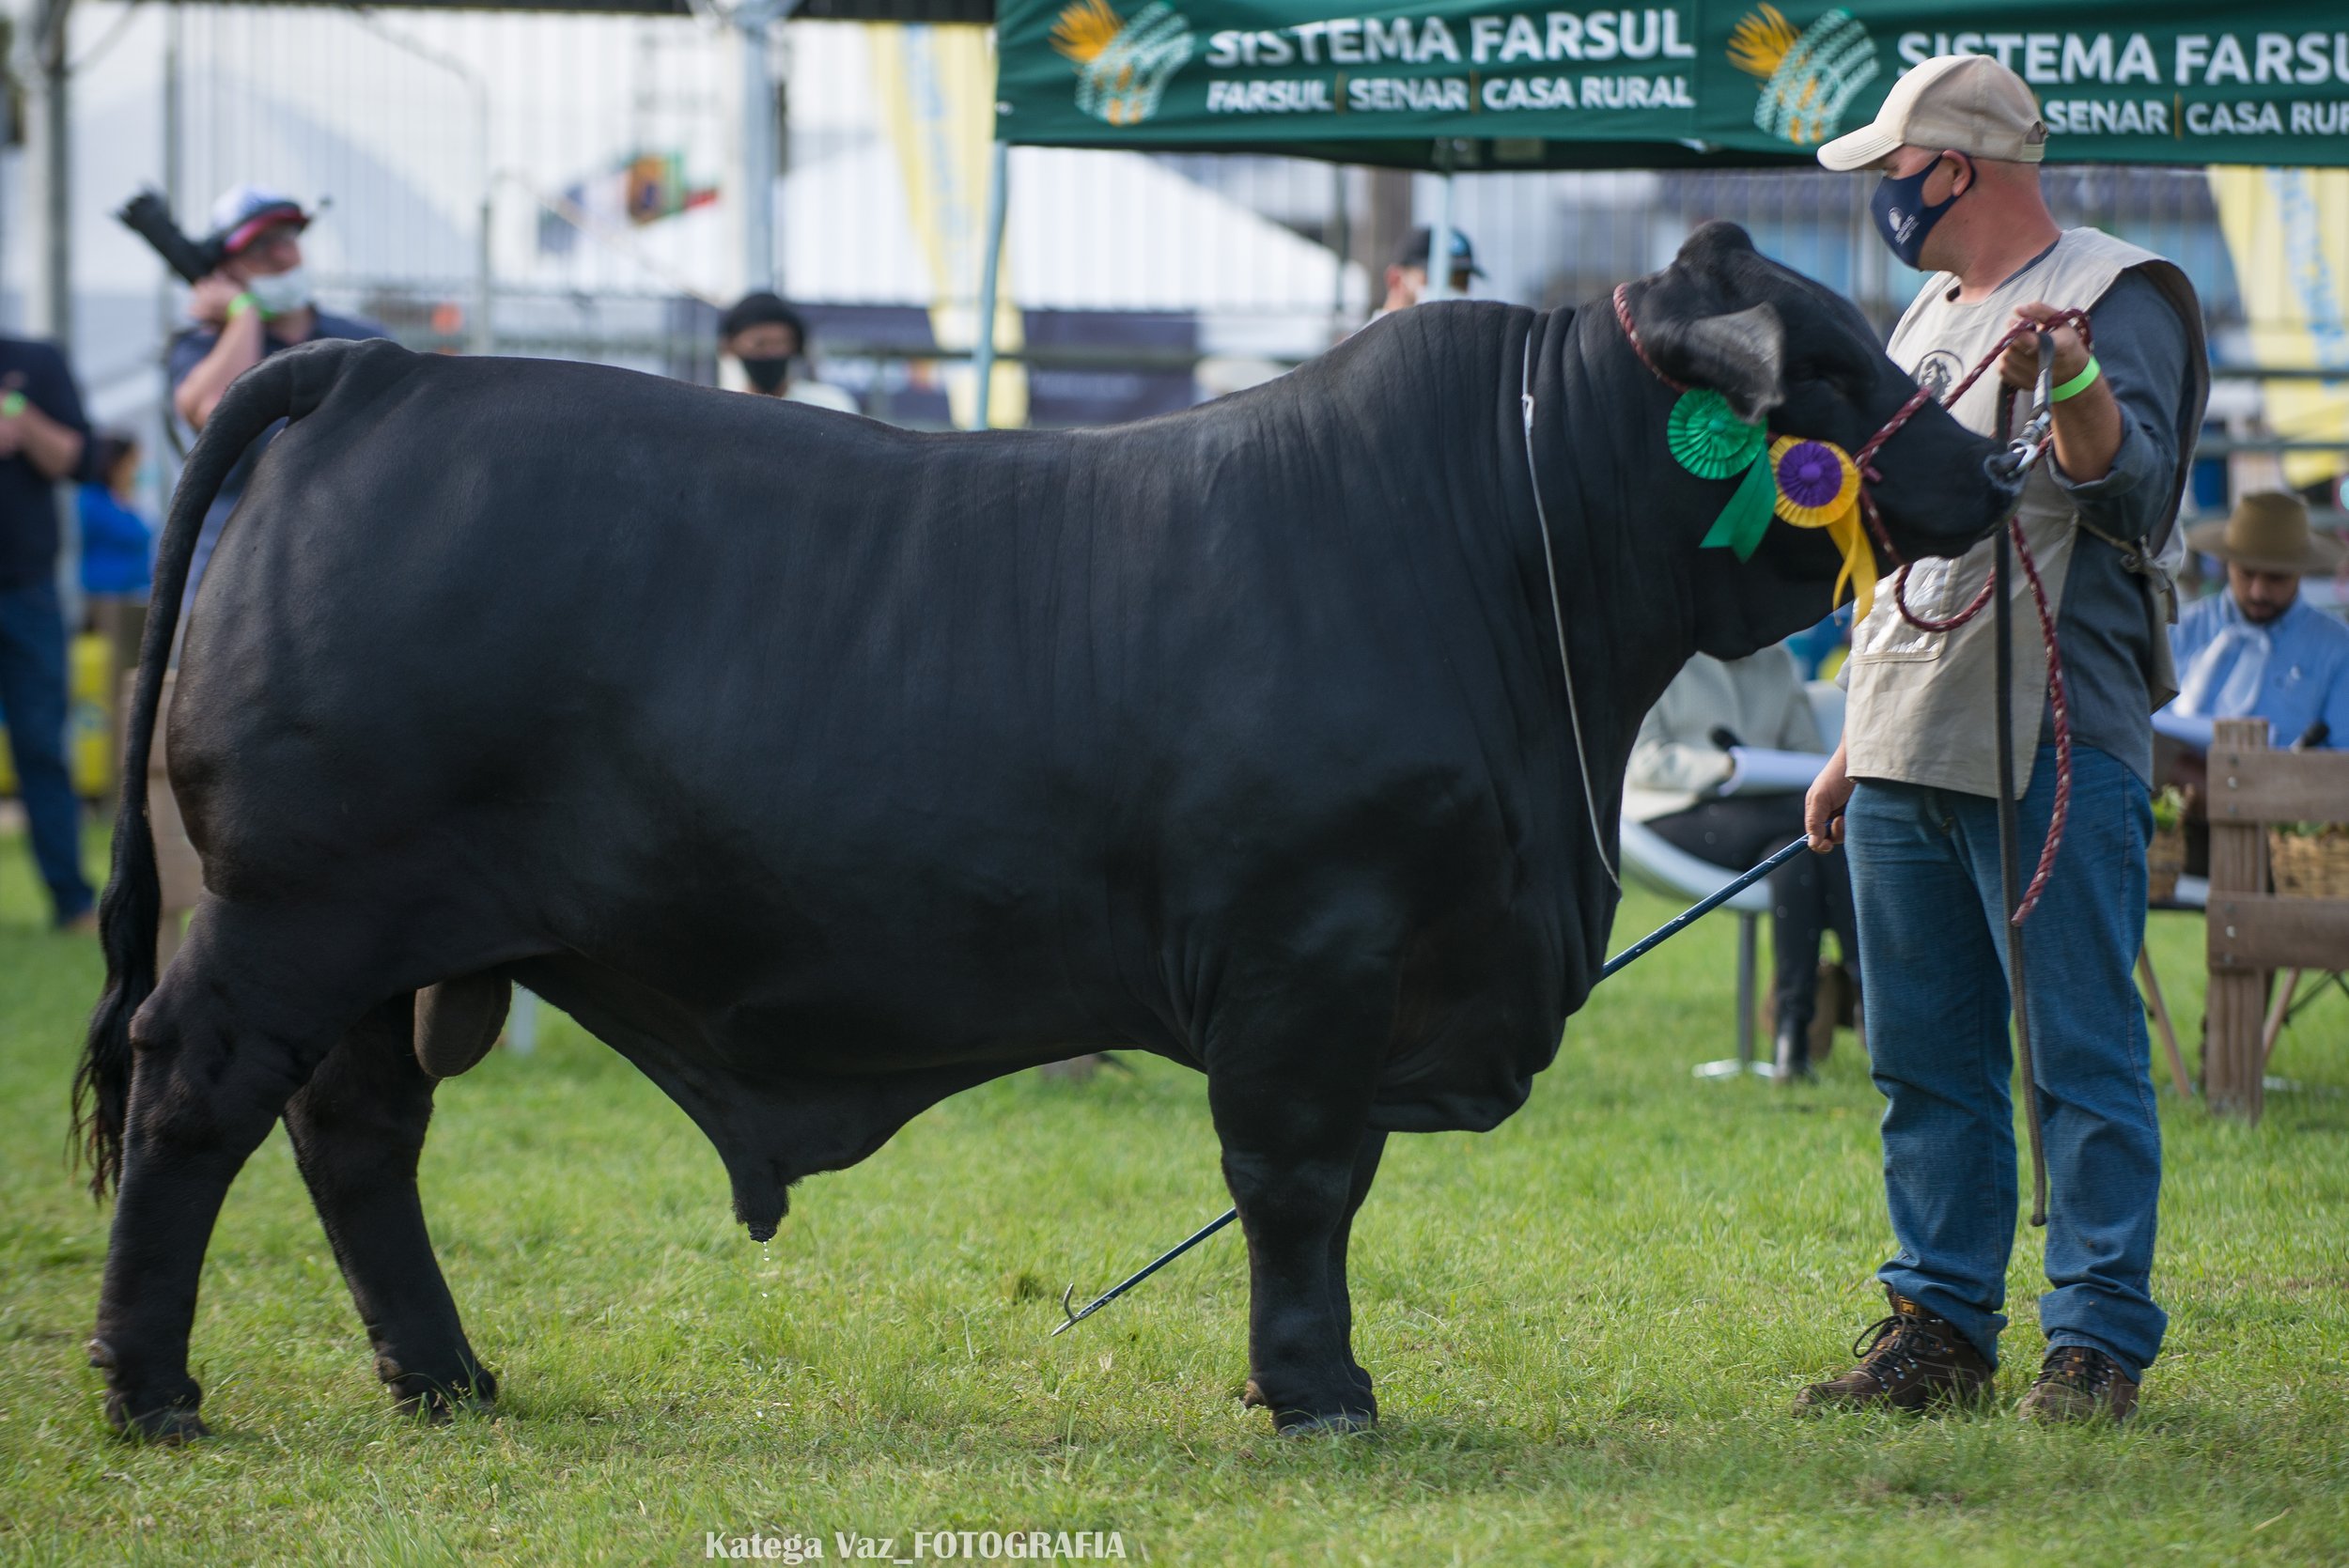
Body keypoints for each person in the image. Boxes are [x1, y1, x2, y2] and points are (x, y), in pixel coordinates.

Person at [1800, 54, 2209, 1423]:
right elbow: (1898, 542)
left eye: (1893, 170)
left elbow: (2126, 484)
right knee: (1924, 1054)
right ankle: (1940, 1324)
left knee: (2076, 1049)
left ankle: (2094, 1339)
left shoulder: (2120, 292)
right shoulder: (1925, 311)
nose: (1884, 194)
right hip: (1908, 724)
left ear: (1955, 169)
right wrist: (1856, 735)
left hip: (2057, 730)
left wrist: (2074, 373)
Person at [1626, 646, 1858, 1081]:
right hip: (1676, 810)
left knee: (1796, 858)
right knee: (1832, 820)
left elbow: (1806, 753)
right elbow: (1642, 760)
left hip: (1772, 821)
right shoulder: (1662, 657)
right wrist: (1726, 766)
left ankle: (1792, 1040)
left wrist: (1764, 772)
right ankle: (1866, 978)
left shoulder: (1777, 662)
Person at [168, 186, 386, 591]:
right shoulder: (199, 347)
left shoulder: (365, 341)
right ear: (225, 271)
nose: (282, 256)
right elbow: (220, 415)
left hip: (344, 566)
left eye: (289, 239)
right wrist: (243, 314)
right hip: (232, 578)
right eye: (260, 247)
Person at [0, 332, 96, 930]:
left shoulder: (35, 362)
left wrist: (15, 412)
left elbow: (81, 462)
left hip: (26, 591)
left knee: (42, 748)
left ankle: (73, 901)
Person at [2162, 491, 2349, 750]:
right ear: (2227, 563)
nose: (2258, 592)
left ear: (2300, 571)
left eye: (2276, 578)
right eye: (2247, 573)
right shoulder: (2178, 631)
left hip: (2288, 787)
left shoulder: (2337, 648)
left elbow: (2342, 755)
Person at [717, 292, 859, 413]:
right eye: (759, 344)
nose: (771, 353)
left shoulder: (829, 407)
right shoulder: (724, 411)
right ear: (730, 347)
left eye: (780, 343)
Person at [1377, 226, 1483, 314]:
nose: (1451, 290)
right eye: (1435, 280)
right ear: (1396, 281)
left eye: (1460, 282)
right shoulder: (1365, 338)